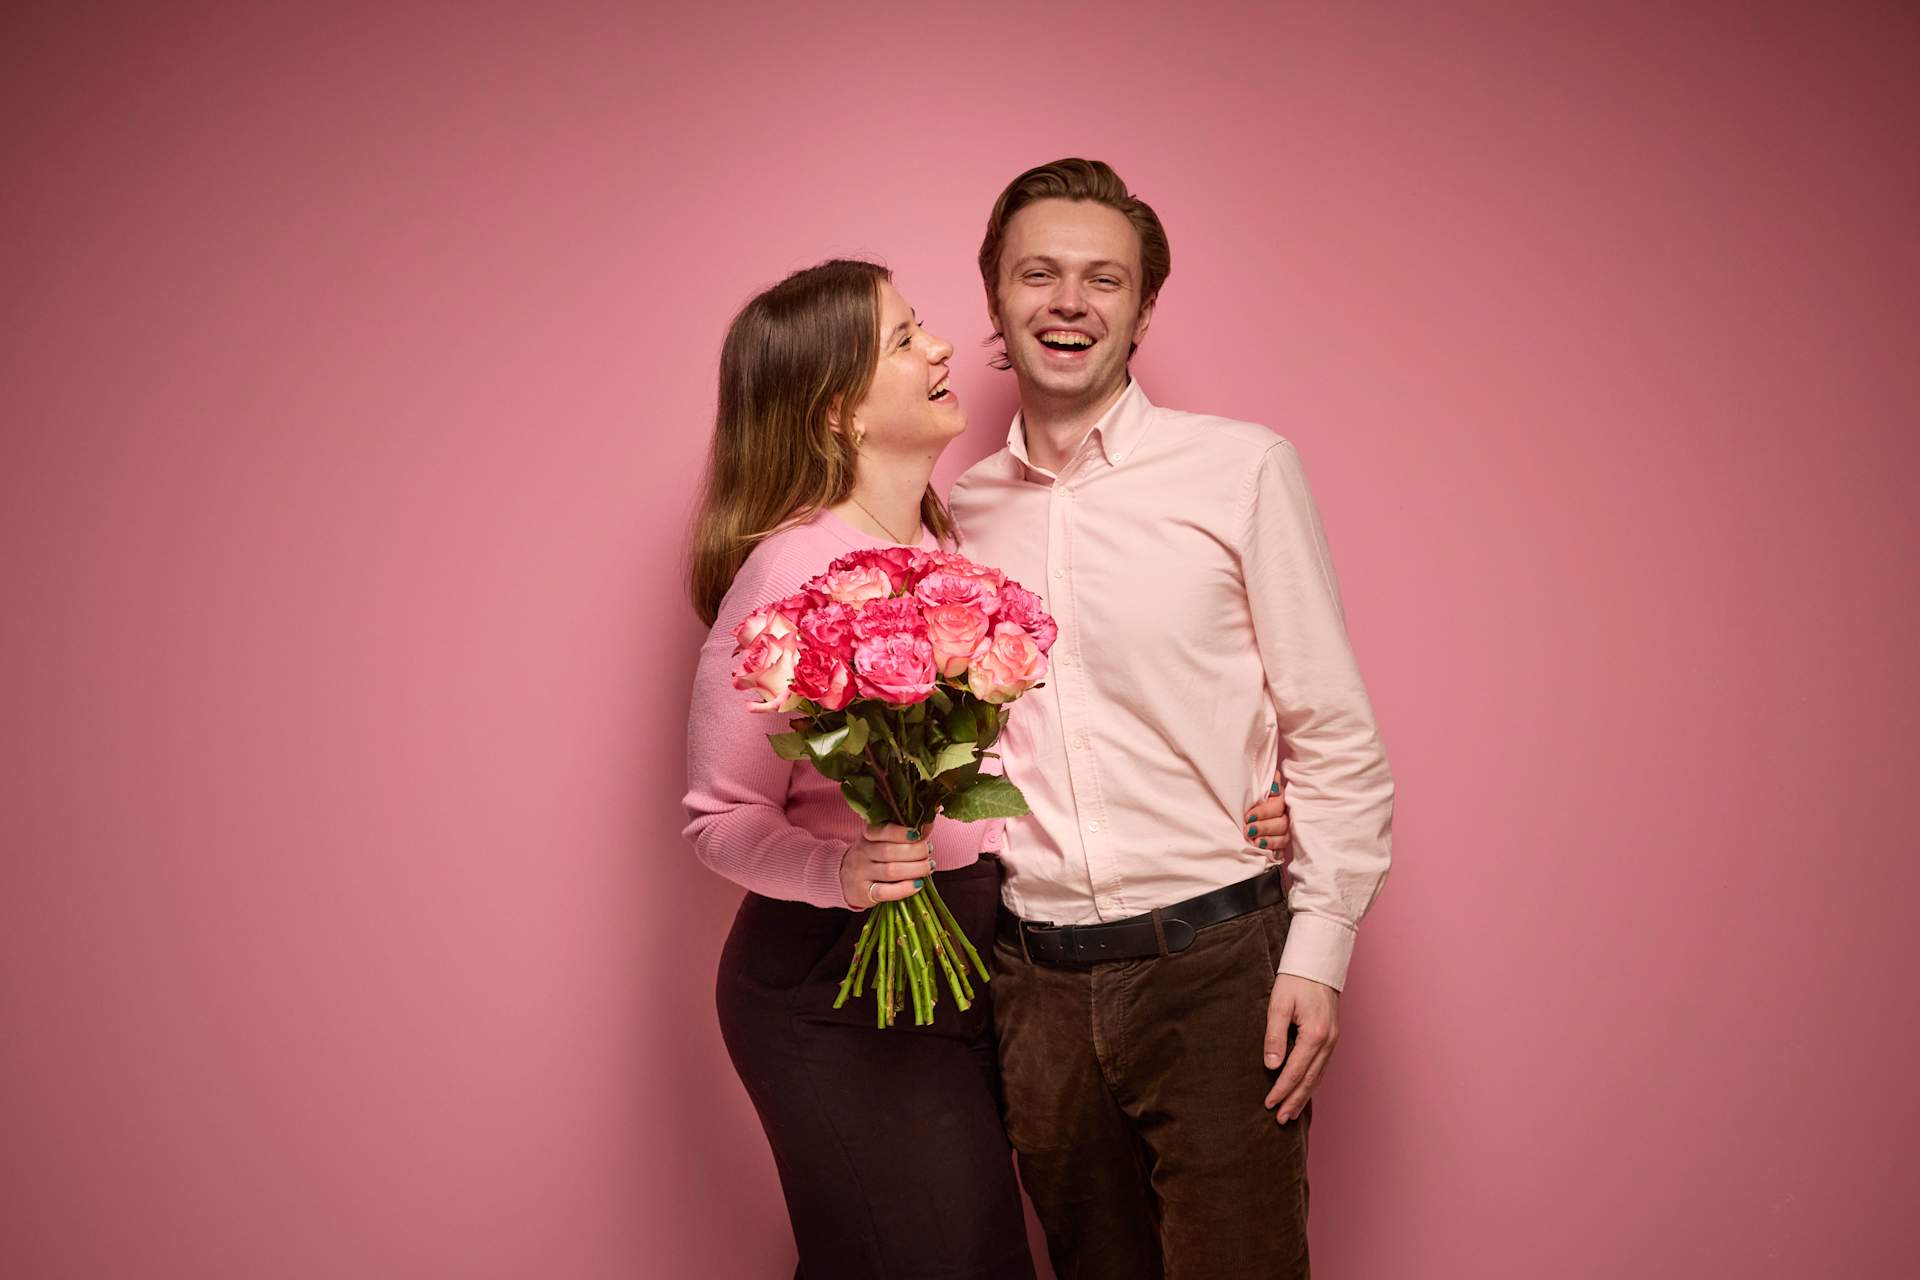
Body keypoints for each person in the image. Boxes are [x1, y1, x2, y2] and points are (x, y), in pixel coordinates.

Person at [680, 259, 1295, 1276]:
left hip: (972, 965)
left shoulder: (952, 537)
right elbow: (717, 813)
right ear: (841, 410)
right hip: (834, 988)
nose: (937, 347)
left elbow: (1050, 738)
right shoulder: (790, 568)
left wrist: (1244, 792)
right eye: (902, 337)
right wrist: (835, 871)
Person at [949, 159, 1395, 1279]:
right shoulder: (951, 515)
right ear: (995, 294)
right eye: (1038, 272)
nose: (1069, 300)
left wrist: (1321, 950)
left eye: (1105, 279)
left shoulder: (1239, 468)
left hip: (1216, 969)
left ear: (1145, 307)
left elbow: (1330, 726)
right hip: (1032, 986)